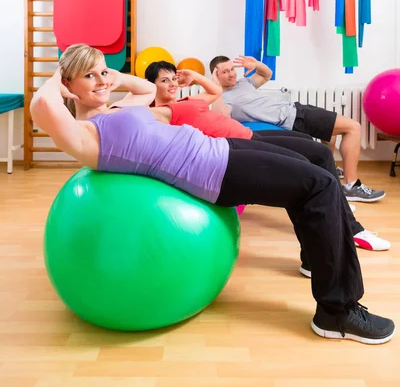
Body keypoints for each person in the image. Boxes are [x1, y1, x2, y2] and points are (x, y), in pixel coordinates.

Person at [30, 44, 395, 344]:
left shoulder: (114, 108)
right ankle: (337, 311)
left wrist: (107, 75)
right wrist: (56, 79)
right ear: (68, 83)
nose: (100, 81)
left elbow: (144, 88)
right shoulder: (83, 135)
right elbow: (42, 107)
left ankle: (321, 257)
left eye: (102, 72)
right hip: (211, 172)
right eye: (88, 76)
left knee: (316, 170)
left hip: (217, 147)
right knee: (319, 186)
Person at [144, 60, 390, 256]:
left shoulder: (188, 100)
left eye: (174, 78)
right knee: (304, 169)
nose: (173, 84)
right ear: (151, 85)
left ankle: (338, 216)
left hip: (250, 135)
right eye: (164, 80)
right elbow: (131, 115)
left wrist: (194, 77)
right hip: (236, 147)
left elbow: (214, 90)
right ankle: (352, 229)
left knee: (321, 151)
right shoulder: (159, 112)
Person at [209, 55, 386, 204]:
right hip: (293, 118)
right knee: (353, 128)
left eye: (232, 69)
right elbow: (220, 117)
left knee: (331, 135)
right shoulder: (224, 99)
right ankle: (351, 186)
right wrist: (214, 85)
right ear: (216, 75)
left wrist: (255, 64)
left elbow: (267, 74)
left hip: (296, 108)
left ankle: (329, 170)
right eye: (225, 72)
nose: (231, 74)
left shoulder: (243, 83)